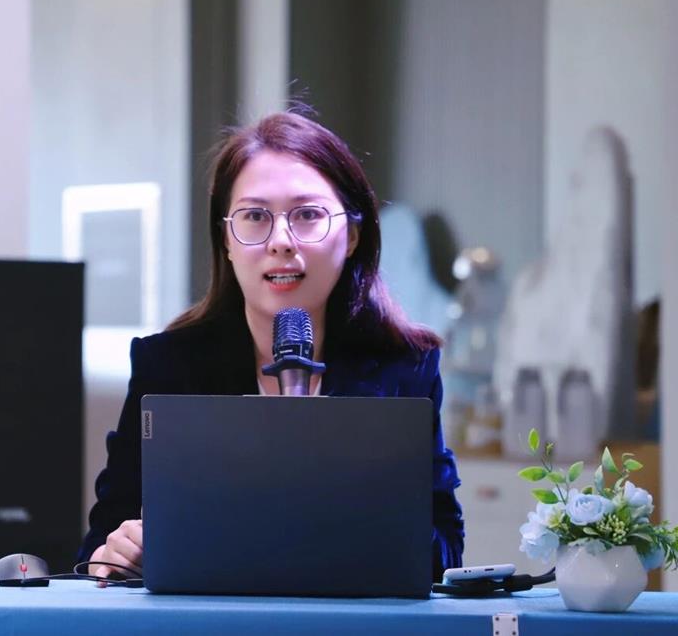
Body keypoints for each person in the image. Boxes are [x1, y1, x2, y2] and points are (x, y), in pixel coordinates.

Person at [78, 111, 464, 582]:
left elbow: (446, 553)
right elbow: (97, 549)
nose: (281, 241)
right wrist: (116, 551)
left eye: (308, 215)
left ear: (352, 236)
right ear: (226, 239)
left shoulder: (405, 368)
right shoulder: (168, 366)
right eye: (255, 217)